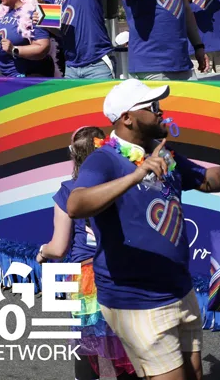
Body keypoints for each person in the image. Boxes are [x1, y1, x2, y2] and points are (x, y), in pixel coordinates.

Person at [67, 80, 220, 380]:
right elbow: (76, 204)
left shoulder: (163, 152)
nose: (160, 111)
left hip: (178, 288)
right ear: (127, 118)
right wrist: (136, 174)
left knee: (194, 374)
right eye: (151, 107)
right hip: (137, 298)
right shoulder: (103, 159)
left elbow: (206, 180)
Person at [38, 125, 137, 380]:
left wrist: (42, 253)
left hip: (87, 279)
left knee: (88, 345)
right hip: (120, 270)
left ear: (73, 155)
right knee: (124, 343)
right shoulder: (120, 185)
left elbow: (58, 248)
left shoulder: (68, 191)